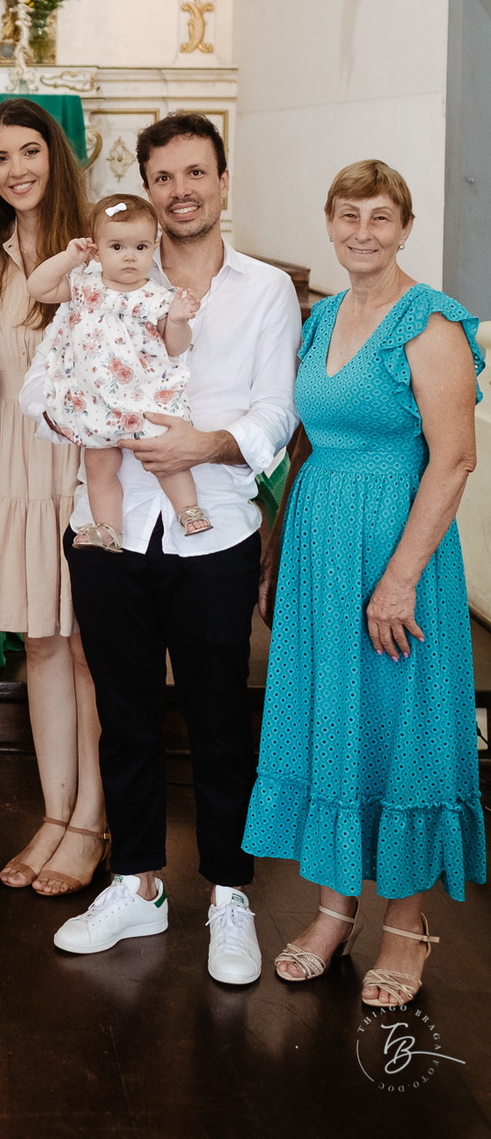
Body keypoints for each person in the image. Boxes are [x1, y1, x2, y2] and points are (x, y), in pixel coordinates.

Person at [46, 112, 300, 985]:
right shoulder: (110, 271)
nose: (180, 190)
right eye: (164, 177)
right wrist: (79, 416)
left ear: (224, 181)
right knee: (123, 713)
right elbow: (56, 374)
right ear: (145, 188)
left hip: (216, 521)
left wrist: (210, 446)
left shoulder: (266, 290)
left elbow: (277, 406)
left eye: (196, 173)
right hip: (112, 522)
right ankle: (136, 884)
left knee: (219, 716)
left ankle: (230, 895)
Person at [244, 160, 485, 1008]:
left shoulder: (433, 324)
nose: (362, 233)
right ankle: (332, 913)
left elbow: (455, 457)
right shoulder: (325, 317)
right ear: (330, 222)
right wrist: (278, 559)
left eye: (380, 218)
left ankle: (407, 930)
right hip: (320, 546)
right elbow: (304, 442)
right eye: (348, 216)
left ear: (406, 227)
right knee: (332, 724)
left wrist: (400, 578)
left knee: (399, 724)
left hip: (397, 548)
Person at [0, 100, 108, 899]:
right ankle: (56, 815)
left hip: (81, 468)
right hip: (9, 467)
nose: (16, 170)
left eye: (29, 152)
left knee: (89, 648)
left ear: (55, 155)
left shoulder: (96, 245)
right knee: (42, 646)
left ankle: (92, 820)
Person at [27, 193, 206, 544]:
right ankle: (108, 529)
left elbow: (174, 347)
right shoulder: (82, 284)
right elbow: (38, 287)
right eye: (117, 247)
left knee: (164, 456)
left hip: (144, 391)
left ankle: (189, 509)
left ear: (153, 246)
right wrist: (68, 258)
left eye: (140, 247)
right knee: (98, 466)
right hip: (96, 398)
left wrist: (180, 320)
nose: (129, 256)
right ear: (96, 249)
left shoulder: (158, 296)